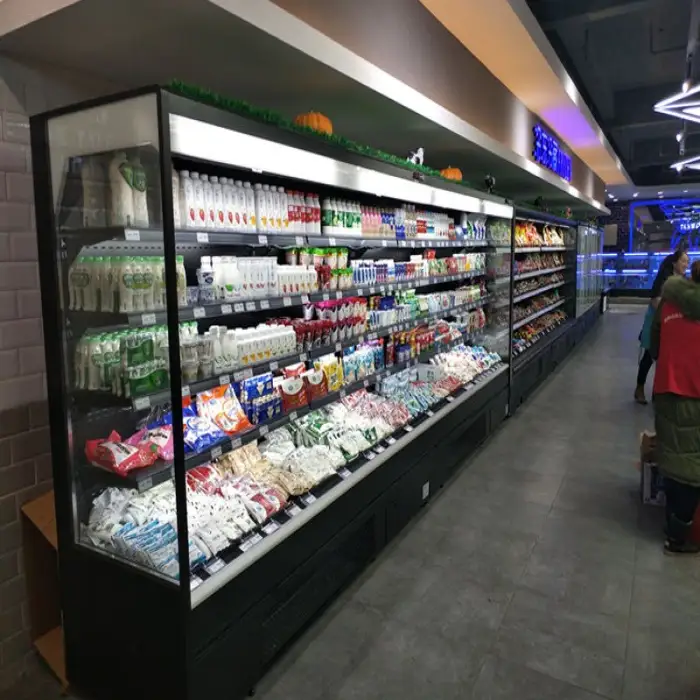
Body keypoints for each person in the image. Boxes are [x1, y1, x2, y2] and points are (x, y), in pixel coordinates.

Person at [650, 260, 700, 555]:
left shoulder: (669, 303)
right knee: (692, 468)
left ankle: (671, 521)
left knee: (671, 455)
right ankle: (678, 535)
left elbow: (654, 343)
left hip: (667, 389)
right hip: (695, 395)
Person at [635, 247, 689, 404]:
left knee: (665, 358)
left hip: (673, 324)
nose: (686, 265)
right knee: (650, 354)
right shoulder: (664, 279)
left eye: (687, 262)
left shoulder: (684, 282)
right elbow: (655, 300)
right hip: (656, 322)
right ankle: (639, 388)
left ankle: (658, 392)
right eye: (683, 261)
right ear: (674, 263)